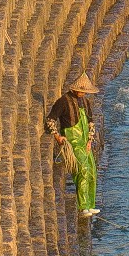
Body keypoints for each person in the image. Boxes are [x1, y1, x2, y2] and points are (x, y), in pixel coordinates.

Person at [47, 75, 101, 219]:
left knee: (92, 172)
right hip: (73, 143)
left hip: (84, 143)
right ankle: (83, 206)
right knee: (82, 170)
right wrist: (58, 136)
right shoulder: (63, 101)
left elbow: (90, 122)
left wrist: (90, 140)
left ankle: (90, 204)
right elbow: (50, 120)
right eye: (81, 91)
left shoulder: (85, 102)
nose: (83, 93)